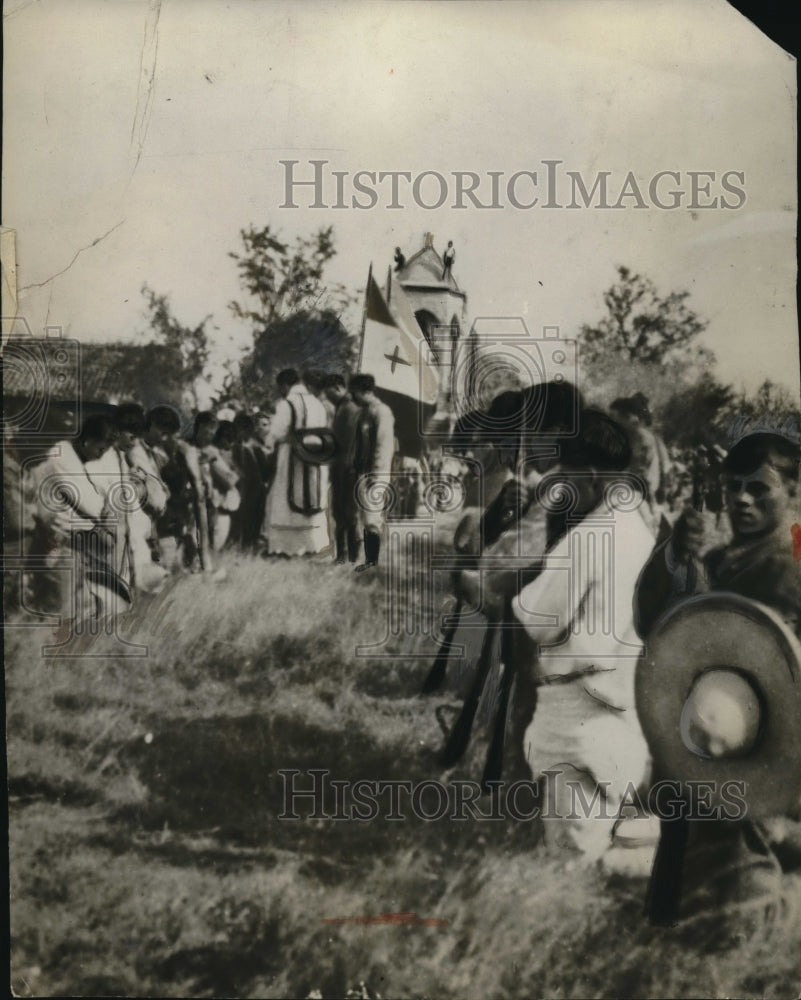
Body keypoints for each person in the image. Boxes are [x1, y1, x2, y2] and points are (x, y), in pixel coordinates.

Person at [635, 431, 801, 929]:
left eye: (759, 488)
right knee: (684, 844)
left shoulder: (789, 564)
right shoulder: (721, 558)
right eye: (733, 488)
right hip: (702, 735)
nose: (742, 500)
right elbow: (653, 621)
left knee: (739, 864)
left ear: (792, 491)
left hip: (759, 742)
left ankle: (764, 911)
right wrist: (673, 554)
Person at [509, 409, 656, 860]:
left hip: (577, 719)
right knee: (606, 844)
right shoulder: (641, 532)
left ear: (590, 476)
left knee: (572, 861)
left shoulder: (587, 538)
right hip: (624, 713)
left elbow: (536, 619)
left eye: (566, 474)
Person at [29, 413, 131, 621]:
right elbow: (92, 505)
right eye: (100, 448)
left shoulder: (75, 459)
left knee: (71, 614)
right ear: (87, 441)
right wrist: (107, 512)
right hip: (57, 545)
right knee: (59, 616)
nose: (101, 455)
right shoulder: (62, 458)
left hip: (73, 546)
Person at [264, 369, 331, 557]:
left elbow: (277, 431)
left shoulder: (287, 404)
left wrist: (269, 440)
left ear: (286, 385)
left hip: (292, 456)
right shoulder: (318, 404)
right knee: (311, 498)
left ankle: (284, 548)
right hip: (315, 459)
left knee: (287, 500)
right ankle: (312, 546)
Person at [350, 373, 395, 571]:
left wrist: (376, 475)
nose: (354, 397)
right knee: (365, 517)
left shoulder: (382, 412)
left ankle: (372, 562)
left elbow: (383, 446)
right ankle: (368, 559)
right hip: (363, 471)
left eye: (355, 393)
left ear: (364, 391)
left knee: (372, 517)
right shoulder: (365, 412)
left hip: (374, 473)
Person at [324, 374, 361, 564]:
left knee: (346, 512)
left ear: (338, 387)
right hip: (343, 467)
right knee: (341, 512)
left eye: (328, 392)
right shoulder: (344, 407)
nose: (327, 397)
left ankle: (348, 554)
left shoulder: (348, 409)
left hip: (347, 468)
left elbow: (345, 443)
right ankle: (345, 554)